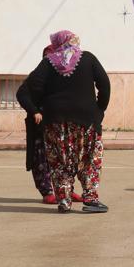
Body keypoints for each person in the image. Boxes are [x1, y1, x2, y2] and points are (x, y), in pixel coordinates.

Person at [25, 31, 111, 213]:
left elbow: (33, 86)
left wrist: (42, 106)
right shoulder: (88, 58)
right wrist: (99, 109)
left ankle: (64, 201)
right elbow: (104, 84)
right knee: (89, 159)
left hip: (55, 122)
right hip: (86, 121)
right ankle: (91, 200)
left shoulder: (48, 62)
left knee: (59, 161)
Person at [16, 45, 84, 205]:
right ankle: (47, 192)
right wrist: (34, 111)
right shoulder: (38, 76)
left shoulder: (64, 77)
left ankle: (67, 190)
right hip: (41, 126)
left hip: (60, 125)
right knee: (42, 159)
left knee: (65, 159)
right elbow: (22, 93)